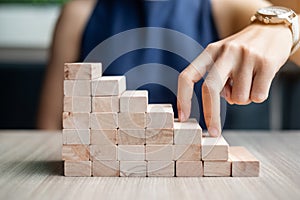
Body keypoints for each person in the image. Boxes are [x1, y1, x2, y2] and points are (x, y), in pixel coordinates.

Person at [37, 0, 300, 136]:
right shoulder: (78, 14)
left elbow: (286, 28)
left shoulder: (226, 6)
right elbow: (50, 127)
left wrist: (283, 32)